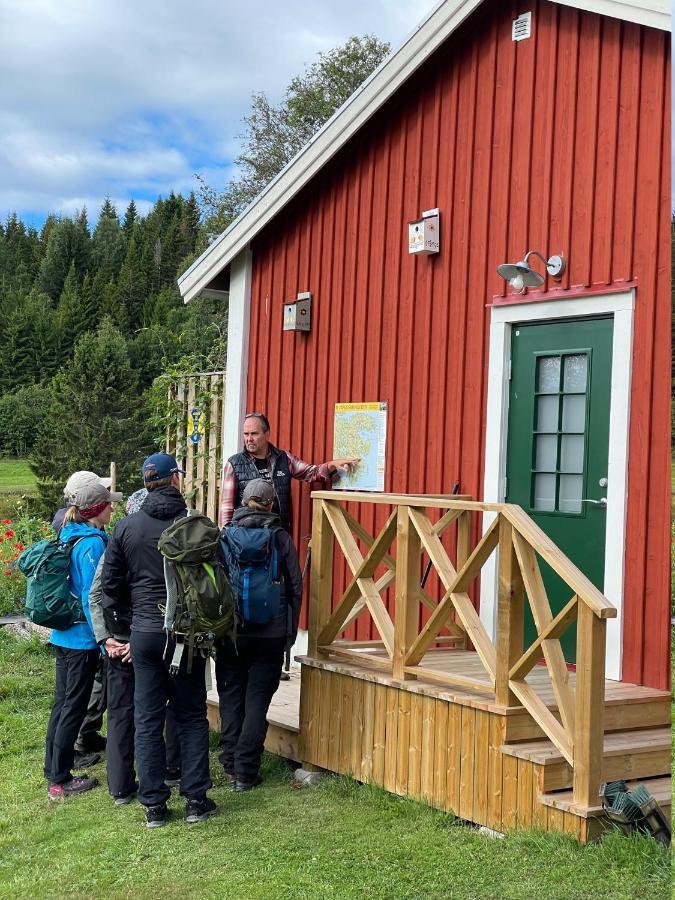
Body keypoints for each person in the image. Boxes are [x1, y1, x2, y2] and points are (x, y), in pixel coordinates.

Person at [102, 453, 217, 828]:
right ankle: (197, 800)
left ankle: (154, 806)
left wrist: (125, 628)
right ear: (174, 481)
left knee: (148, 718)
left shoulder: (127, 527)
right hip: (186, 633)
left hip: (145, 634)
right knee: (190, 714)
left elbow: (111, 587)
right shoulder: (195, 524)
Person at [216, 478, 303, 791]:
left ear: (243, 500)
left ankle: (230, 763)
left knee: (231, 698)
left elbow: (215, 583)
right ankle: (246, 771)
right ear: (270, 504)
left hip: (231, 632)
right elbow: (295, 587)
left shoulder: (225, 536)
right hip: (270, 633)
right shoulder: (279, 538)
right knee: (256, 702)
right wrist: (289, 634)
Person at [44, 479, 120, 800]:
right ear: (97, 510)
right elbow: (94, 596)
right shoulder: (92, 544)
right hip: (81, 641)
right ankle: (60, 781)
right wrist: (104, 639)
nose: (113, 507)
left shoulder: (70, 533)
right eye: (109, 504)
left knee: (62, 703)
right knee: (73, 707)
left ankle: (53, 770)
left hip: (64, 635)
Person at [219, 412, 359, 529]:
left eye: (254, 434)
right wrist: (227, 537)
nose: (249, 439)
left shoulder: (284, 458)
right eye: (246, 434)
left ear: (267, 434)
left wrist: (331, 465)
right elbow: (226, 509)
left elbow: (311, 473)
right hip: (248, 541)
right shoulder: (234, 464)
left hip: (278, 535)